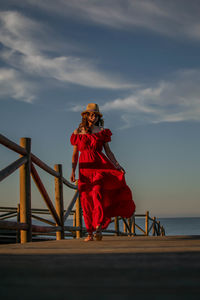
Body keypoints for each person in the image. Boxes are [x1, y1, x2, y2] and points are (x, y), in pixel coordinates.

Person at [70, 103, 135, 241]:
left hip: (100, 167)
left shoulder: (101, 131)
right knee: (86, 200)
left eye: (96, 115)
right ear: (86, 115)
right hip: (84, 168)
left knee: (97, 195)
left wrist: (117, 165)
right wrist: (72, 171)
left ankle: (98, 228)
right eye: (91, 114)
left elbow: (108, 151)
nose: (93, 117)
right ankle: (89, 233)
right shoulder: (77, 132)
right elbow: (75, 154)